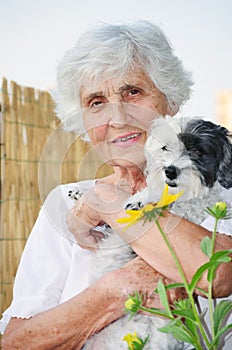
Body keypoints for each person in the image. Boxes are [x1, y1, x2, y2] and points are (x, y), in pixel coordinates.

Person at [1, 21, 232, 350]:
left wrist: (111, 202)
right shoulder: (65, 203)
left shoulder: (223, 193)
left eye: (133, 92)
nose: (118, 118)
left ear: (170, 101)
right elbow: (15, 343)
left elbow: (217, 273)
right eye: (96, 103)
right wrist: (114, 291)